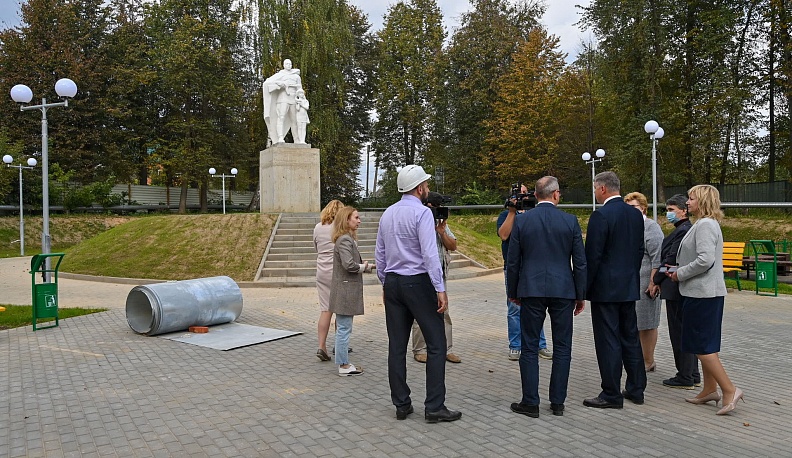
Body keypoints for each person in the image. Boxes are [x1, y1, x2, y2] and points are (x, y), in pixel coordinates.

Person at [375, 164, 462, 423]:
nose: (427, 188)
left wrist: (385, 283)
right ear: (420, 188)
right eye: (426, 184)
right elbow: (429, 254)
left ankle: (401, 404)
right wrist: (440, 288)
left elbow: (380, 253)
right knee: (436, 344)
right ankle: (434, 406)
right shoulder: (422, 213)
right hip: (418, 282)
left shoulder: (387, 213)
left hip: (393, 282)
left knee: (397, 346)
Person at [506, 177, 586, 418]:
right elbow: (580, 262)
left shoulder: (522, 220)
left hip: (531, 290)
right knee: (562, 346)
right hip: (564, 290)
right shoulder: (570, 221)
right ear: (556, 194)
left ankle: (530, 402)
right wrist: (580, 294)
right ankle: (558, 402)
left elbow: (513, 261)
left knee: (529, 346)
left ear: (535, 195)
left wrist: (513, 292)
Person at [668, 185, 743, 415]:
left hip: (702, 294)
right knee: (706, 345)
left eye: (692, 198)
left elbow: (705, 260)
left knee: (701, 346)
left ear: (702, 201)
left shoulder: (705, 225)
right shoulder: (705, 223)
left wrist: (680, 273)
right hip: (705, 293)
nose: (687, 202)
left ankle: (729, 389)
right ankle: (710, 389)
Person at [583, 171, 646, 409]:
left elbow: (593, 256)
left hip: (605, 290)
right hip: (628, 286)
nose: (594, 192)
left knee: (608, 340)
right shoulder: (635, 214)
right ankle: (636, 389)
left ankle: (611, 393)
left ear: (602, 189)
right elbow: (639, 250)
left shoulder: (601, 216)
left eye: (594, 188)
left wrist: (584, 289)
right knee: (630, 337)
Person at [497, 183, 552, 361]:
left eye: (525, 193)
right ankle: (515, 345)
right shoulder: (505, 215)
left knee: (536, 306)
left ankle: (540, 344)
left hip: (534, 267)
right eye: (518, 194)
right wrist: (512, 212)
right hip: (513, 267)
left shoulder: (535, 214)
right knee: (514, 308)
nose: (522, 197)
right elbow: (503, 235)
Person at [653, 194, 700, 389]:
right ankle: (692, 373)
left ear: (683, 210)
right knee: (684, 330)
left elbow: (670, 260)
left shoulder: (683, 231)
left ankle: (685, 375)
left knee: (679, 332)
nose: (668, 214)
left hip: (676, 288)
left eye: (672, 210)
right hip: (678, 287)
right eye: (667, 210)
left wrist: (656, 280)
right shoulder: (684, 229)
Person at [412, 192, 461, 364]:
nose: (438, 210)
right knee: (420, 313)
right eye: (435, 207)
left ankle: (447, 349)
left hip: (440, 275)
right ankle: (420, 349)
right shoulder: (418, 220)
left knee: (444, 312)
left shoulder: (441, 223)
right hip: (422, 275)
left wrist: (441, 232)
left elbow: (453, 245)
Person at [624, 192, 664, 372]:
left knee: (647, 324)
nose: (631, 211)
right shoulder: (628, 227)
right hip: (631, 282)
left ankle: (648, 360)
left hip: (647, 282)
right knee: (635, 323)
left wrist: (653, 282)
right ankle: (637, 358)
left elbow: (658, 258)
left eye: (634, 207)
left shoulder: (651, 227)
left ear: (643, 208)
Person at [329, 206, 371, 376]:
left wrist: (366, 266)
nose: (359, 221)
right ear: (346, 220)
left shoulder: (345, 239)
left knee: (343, 328)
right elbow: (348, 265)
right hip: (345, 291)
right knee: (344, 329)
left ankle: (344, 363)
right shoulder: (345, 240)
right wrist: (363, 267)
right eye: (356, 218)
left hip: (344, 289)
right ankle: (344, 366)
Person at [313, 199, 345, 362]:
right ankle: (340, 345)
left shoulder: (318, 228)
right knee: (341, 310)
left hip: (322, 272)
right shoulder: (341, 229)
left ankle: (321, 346)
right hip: (338, 272)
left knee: (325, 310)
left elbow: (316, 247)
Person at [263, 58, 302, 144]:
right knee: (281, 117)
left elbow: (300, 89)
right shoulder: (280, 75)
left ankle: (297, 139)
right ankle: (280, 137)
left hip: (293, 98)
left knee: (294, 120)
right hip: (283, 98)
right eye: (287, 64)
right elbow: (267, 83)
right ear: (284, 65)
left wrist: (301, 98)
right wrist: (280, 85)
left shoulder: (296, 77)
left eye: (290, 64)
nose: (289, 65)